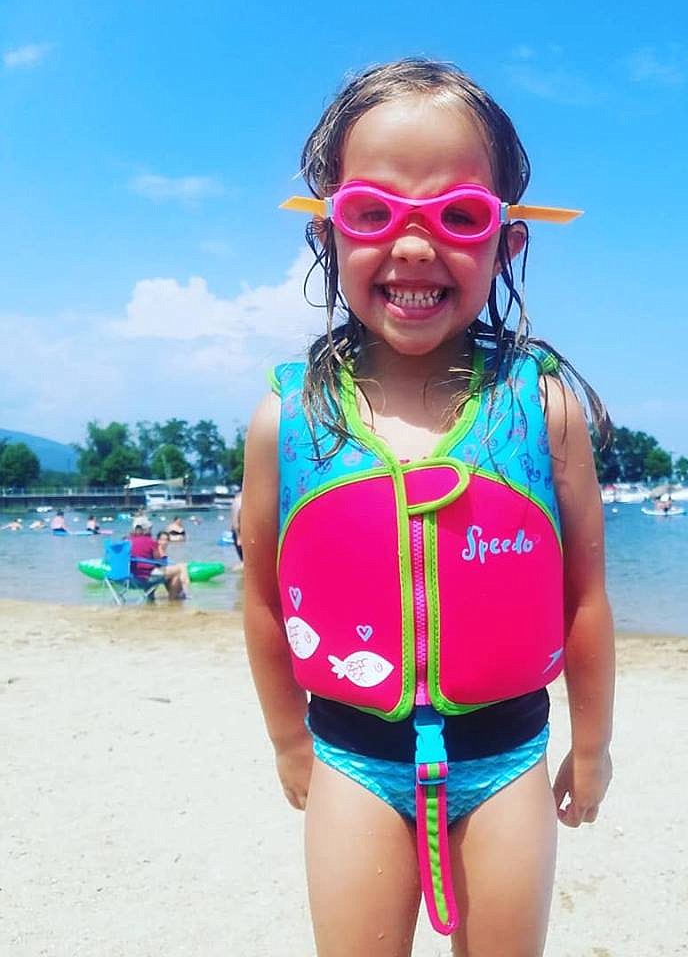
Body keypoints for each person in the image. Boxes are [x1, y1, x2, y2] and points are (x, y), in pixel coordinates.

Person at [242, 59, 615, 956]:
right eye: (373, 214)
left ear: (507, 243)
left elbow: (587, 600)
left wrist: (594, 747)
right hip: (351, 761)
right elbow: (261, 600)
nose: (414, 247)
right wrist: (289, 740)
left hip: (509, 760)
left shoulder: (544, 408)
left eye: (459, 217)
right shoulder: (286, 420)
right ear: (330, 235)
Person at [155, 530, 191, 599]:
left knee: (177, 576)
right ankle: (185, 589)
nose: (164, 542)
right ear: (157, 540)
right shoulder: (157, 550)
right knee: (181, 567)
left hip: (162, 572)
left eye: (166, 540)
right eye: (162, 540)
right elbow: (158, 565)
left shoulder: (163, 551)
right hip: (157, 573)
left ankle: (175, 597)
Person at [229, 489, 243, 565]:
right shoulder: (239, 501)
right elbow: (235, 521)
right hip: (240, 533)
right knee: (245, 562)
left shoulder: (236, 500)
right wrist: (239, 537)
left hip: (238, 532)